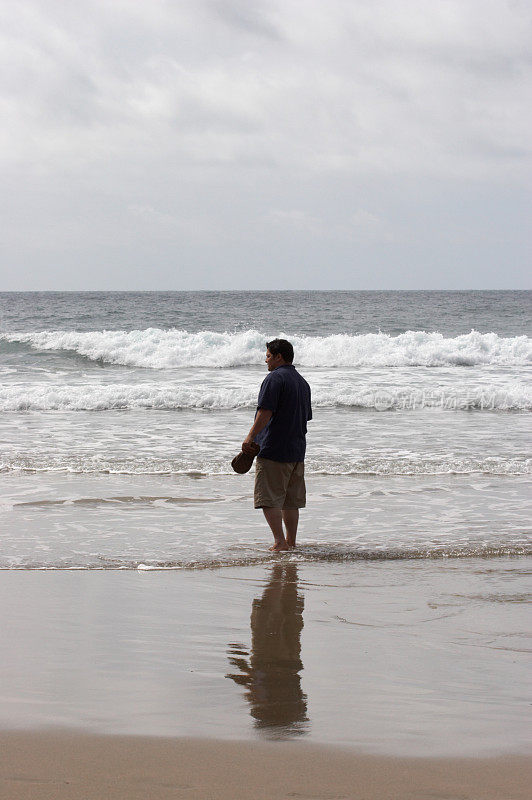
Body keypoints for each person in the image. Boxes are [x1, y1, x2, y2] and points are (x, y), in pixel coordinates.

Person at [242, 339, 312, 551]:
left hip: (273, 448)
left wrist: (250, 437)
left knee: (269, 498)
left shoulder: (274, 379)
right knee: (290, 501)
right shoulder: (302, 382)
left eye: (268, 356)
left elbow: (265, 412)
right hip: (297, 450)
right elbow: (305, 417)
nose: (266, 360)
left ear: (279, 356)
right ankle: (290, 542)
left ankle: (279, 542)